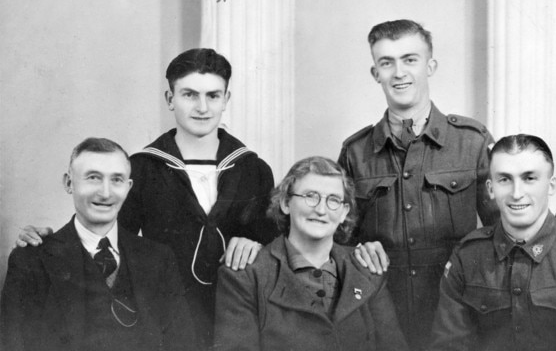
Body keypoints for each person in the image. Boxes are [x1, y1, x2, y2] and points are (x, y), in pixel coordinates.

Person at [338, 19, 556, 349]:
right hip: (381, 312)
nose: (399, 72)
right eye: (387, 62)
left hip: (462, 308)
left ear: (430, 66)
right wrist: (355, 249)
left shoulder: (470, 142)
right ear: (376, 73)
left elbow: (510, 218)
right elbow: (333, 243)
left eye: (410, 59)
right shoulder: (355, 152)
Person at [16, 48, 279, 348]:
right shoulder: (144, 167)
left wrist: (256, 244)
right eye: (189, 95)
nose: (202, 107)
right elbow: (111, 240)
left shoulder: (254, 168)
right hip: (166, 317)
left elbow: (274, 250)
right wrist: (48, 240)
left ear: (226, 100)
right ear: (170, 99)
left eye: (213, 96)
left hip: (237, 316)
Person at [428, 134, 556, 351]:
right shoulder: (467, 257)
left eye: (529, 178)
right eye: (504, 179)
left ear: (551, 185)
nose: (517, 194)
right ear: (490, 189)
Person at [1, 138, 195, 351]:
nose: (105, 193)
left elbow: (182, 344)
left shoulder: (159, 259)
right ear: (68, 183)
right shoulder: (31, 260)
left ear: (128, 188)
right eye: (93, 178)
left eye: (117, 180)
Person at [213, 156, 409, 351]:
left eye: (333, 200)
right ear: (285, 203)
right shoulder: (245, 276)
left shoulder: (367, 270)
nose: (321, 210)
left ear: (343, 212)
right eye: (310, 196)